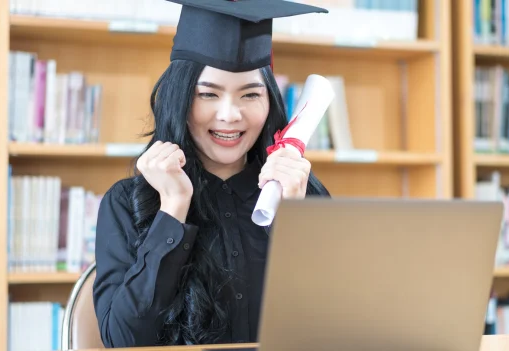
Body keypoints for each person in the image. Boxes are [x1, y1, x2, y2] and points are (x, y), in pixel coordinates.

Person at [92, 0, 330, 348]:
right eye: (208, 94)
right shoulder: (127, 202)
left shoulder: (299, 192)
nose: (230, 115)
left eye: (250, 93)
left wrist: (295, 223)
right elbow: (123, 341)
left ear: (270, 102)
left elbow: (334, 328)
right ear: (180, 98)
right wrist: (172, 209)